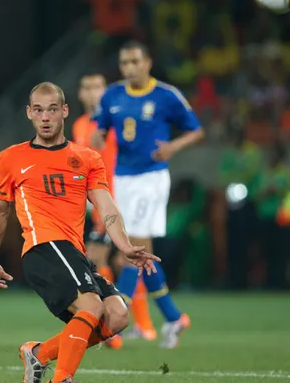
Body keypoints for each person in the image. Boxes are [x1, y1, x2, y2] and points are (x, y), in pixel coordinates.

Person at [0, 82, 160, 383]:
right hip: (42, 247)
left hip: (73, 252)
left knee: (117, 316)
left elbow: (107, 207)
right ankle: (62, 378)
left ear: (64, 111)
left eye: (52, 109)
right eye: (38, 110)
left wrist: (126, 245)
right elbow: (0, 210)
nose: (45, 117)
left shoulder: (88, 158)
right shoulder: (11, 157)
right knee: (92, 304)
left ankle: (39, 354)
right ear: (29, 114)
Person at [91, 40, 204, 348]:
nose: (129, 68)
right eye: (124, 63)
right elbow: (98, 127)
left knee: (132, 248)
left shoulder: (166, 95)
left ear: (148, 63)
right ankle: (173, 318)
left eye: (134, 62)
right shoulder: (112, 94)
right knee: (142, 251)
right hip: (122, 180)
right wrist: (97, 135)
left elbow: (196, 130)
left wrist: (172, 147)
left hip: (151, 179)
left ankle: (114, 319)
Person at [71, 71, 156, 346]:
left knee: (116, 259)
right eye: (87, 86)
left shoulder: (116, 120)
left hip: (122, 199)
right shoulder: (81, 125)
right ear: (81, 94)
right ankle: (135, 325)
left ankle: (129, 326)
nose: (93, 91)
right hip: (98, 202)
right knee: (112, 261)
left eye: (98, 86)